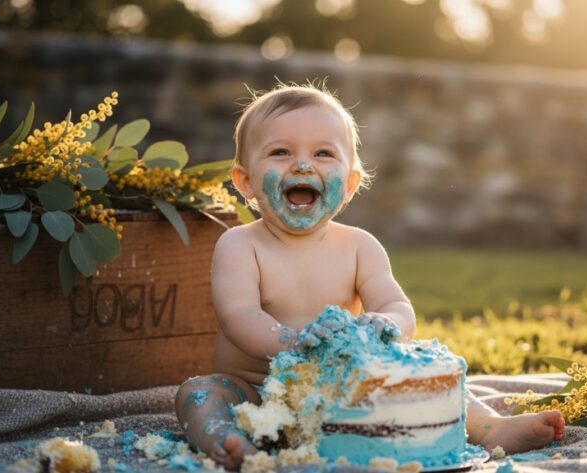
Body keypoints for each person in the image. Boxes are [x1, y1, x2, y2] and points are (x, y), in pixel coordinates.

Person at [175, 81, 565, 471]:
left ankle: (492, 428)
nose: (303, 165)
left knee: (431, 378)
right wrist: (293, 342)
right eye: (280, 152)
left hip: (348, 393)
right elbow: (237, 314)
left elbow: (396, 305)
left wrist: (386, 323)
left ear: (348, 185)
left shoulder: (359, 246)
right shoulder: (240, 244)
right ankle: (229, 441)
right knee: (198, 393)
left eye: (323, 153)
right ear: (245, 181)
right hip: (257, 393)